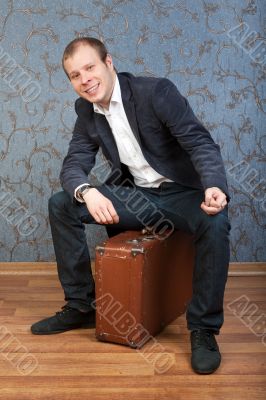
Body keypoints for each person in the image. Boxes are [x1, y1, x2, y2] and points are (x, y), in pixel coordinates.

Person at [31, 37, 231, 375]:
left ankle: (204, 329)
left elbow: (199, 142)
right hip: (137, 196)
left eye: (90, 67)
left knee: (215, 222)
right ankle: (81, 305)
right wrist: (87, 191)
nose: (85, 80)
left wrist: (213, 185)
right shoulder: (87, 110)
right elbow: (74, 163)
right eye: (75, 75)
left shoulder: (156, 93)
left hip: (181, 192)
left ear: (109, 62)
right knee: (62, 204)